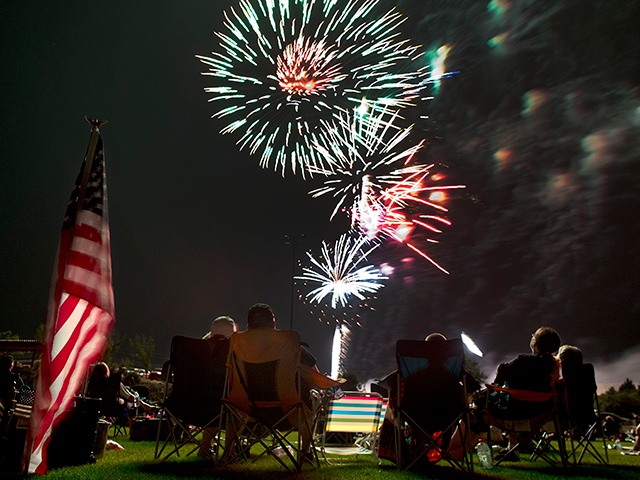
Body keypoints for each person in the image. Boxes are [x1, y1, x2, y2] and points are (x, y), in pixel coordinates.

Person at [198, 316, 237, 457]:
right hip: (221, 403)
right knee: (235, 406)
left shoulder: (199, 350)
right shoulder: (231, 351)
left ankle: (204, 448)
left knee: (216, 407)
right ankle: (229, 451)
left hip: (192, 403)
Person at [87, 362, 154, 429]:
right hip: (114, 410)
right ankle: (132, 430)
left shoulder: (92, 384)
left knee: (127, 391)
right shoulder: (113, 385)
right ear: (106, 373)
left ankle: (145, 406)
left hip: (98, 408)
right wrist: (136, 396)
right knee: (133, 402)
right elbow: (131, 398)